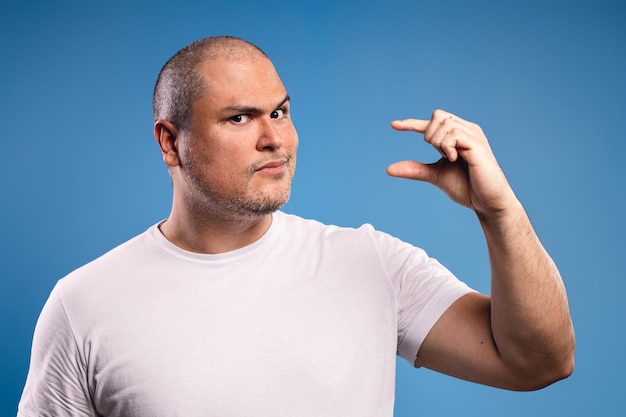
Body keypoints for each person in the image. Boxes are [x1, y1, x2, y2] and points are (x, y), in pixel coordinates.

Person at [17, 36, 575, 417]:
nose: (275, 139)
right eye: (240, 118)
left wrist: (499, 214)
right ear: (170, 141)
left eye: (280, 112)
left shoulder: (371, 264)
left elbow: (539, 363)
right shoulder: (84, 303)